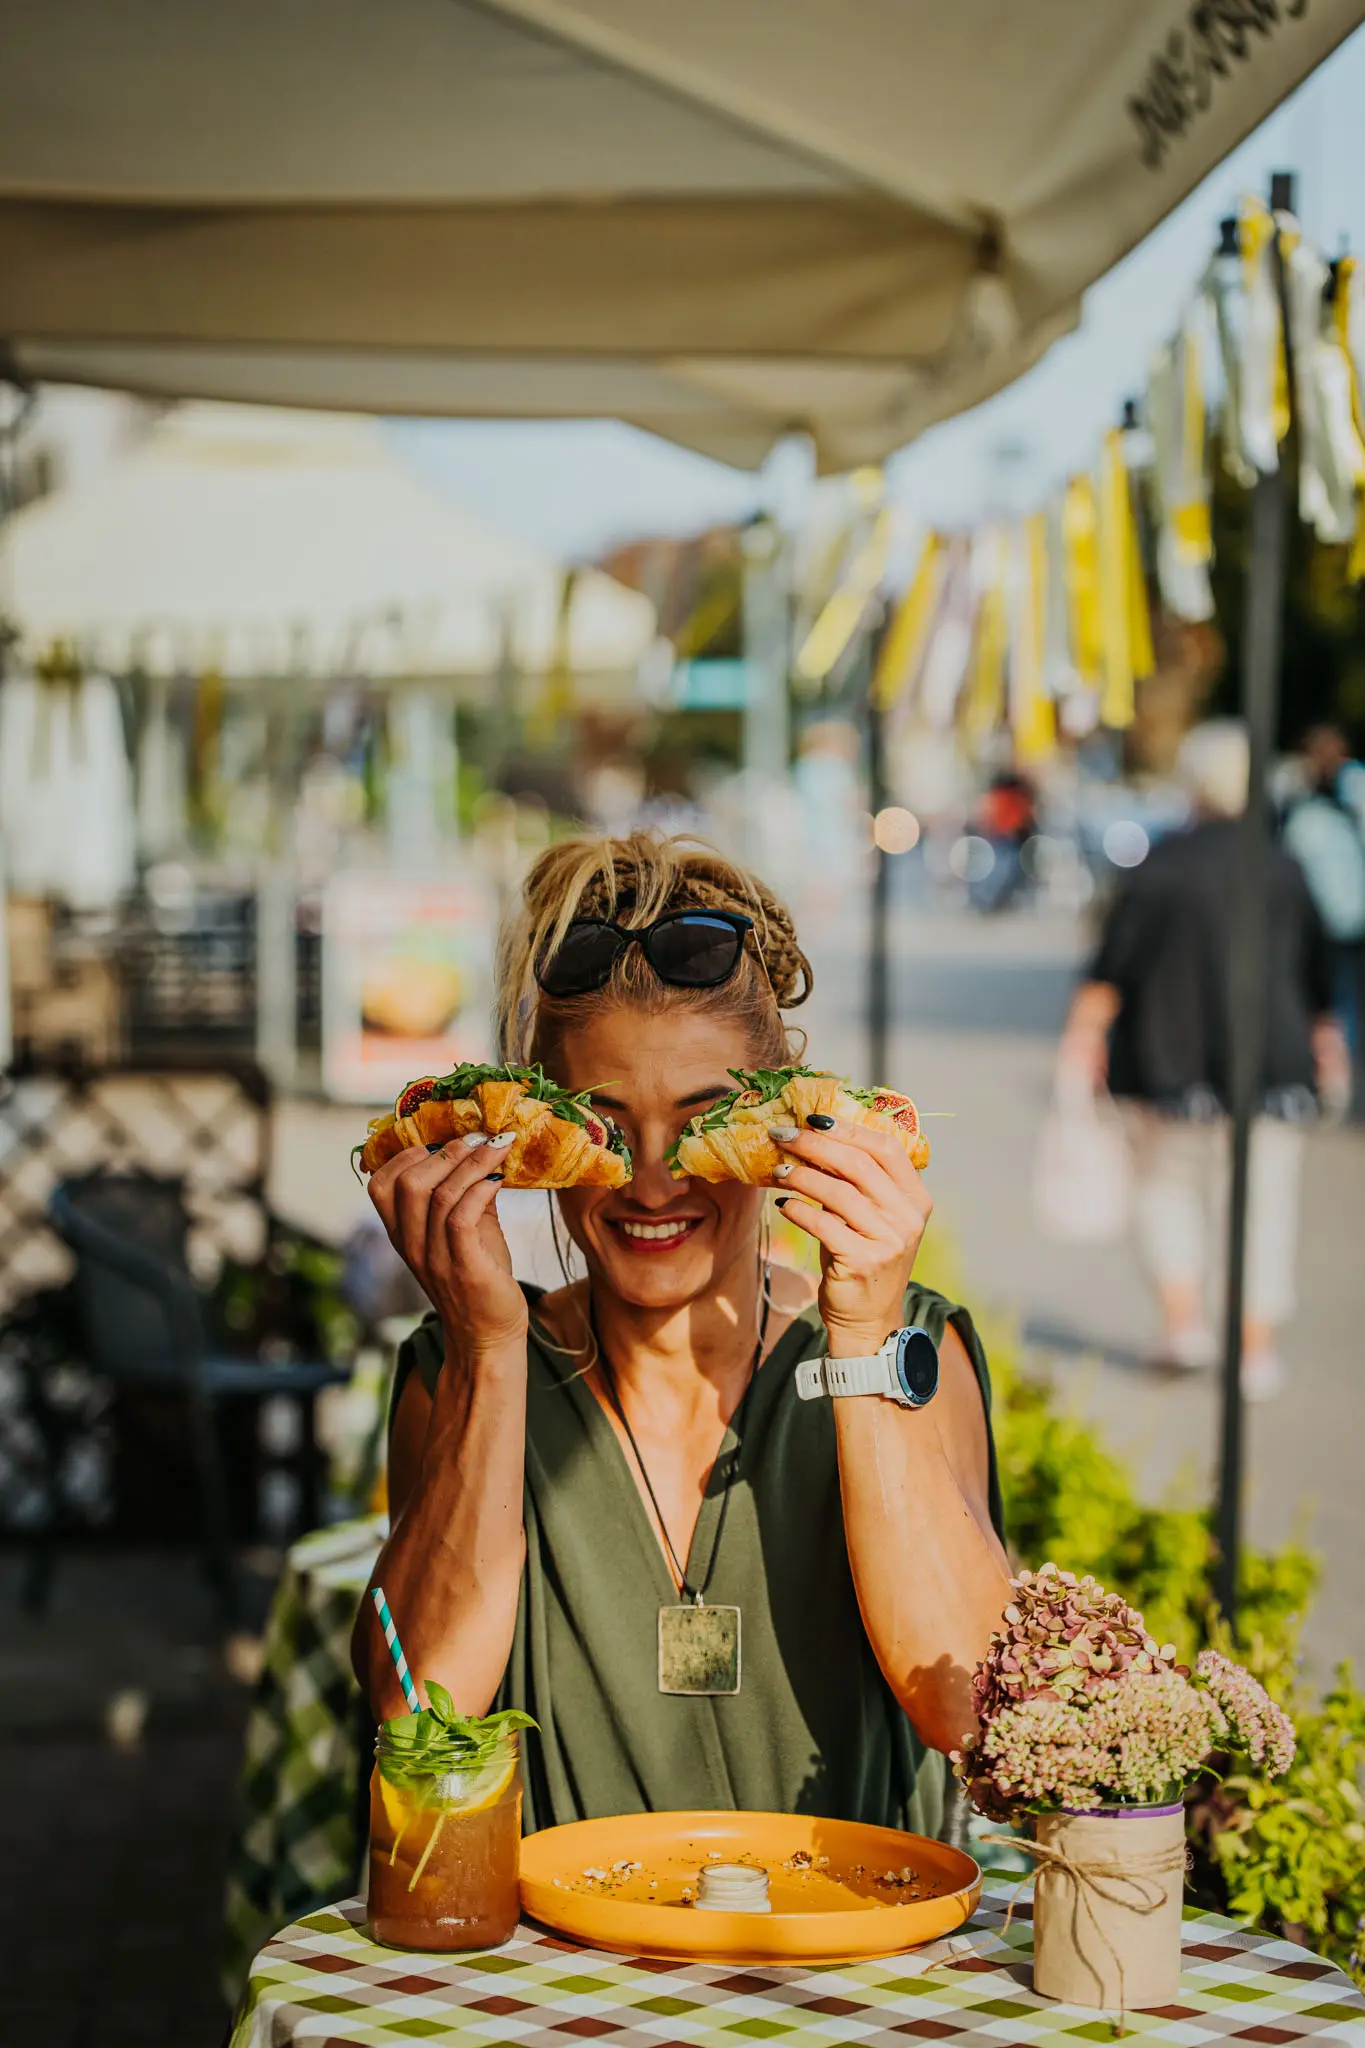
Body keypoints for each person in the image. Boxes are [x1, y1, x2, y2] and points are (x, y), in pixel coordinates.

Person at [354, 833, 1010, 1837]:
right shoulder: (459, 1368)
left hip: (857, 1970)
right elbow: (420, 1712)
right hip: (564, 1980)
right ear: (539, 1134)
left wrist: (864, 1324)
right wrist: (490, 1345)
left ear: (785, 1122)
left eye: (702, 1119)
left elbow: (966, 1708)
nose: (654, 1175)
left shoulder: (911, 1350)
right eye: (605, 1123)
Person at [1057, 721, 1347, 1402]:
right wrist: (1325, 1041)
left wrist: (1080, 1042)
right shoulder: (1281, 867)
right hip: (1270, 1069)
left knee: (1165, 1194)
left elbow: (1110, 969)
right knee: (1262, 1207)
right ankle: (1254, 1350)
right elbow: (1317, 973)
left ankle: (1184, 1325)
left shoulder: (1158, 868)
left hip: (1167, 1066)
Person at [1282, 723, 1365, 1071]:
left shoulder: (1308, 808)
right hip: (1341, 916)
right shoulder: (1310, 806)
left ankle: (1338, 1071)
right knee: (1343, 1001)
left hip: (1331, 917)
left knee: (1331, 1001)